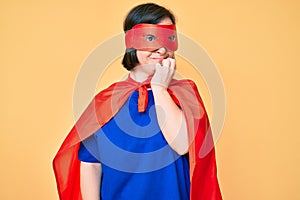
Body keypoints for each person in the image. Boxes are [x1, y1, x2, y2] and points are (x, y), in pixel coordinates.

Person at [53, 3, 222, 200]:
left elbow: (183, 144)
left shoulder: (185, 94)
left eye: (169, 39)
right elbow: (91, 163)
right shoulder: (105, 102)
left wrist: (159, 89)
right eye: (150, 38)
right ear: (131, 42)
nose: (161, 49)